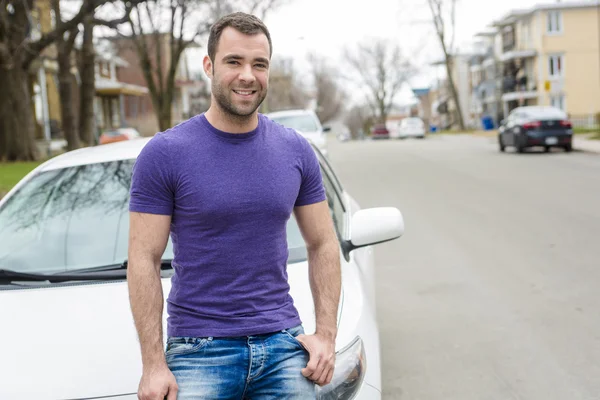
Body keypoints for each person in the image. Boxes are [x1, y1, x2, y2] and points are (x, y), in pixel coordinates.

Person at [127, 11, 341, 400]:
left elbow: (324, 243)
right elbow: (144, 257)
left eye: (259, 64)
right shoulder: (165, 154)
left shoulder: (294, 150)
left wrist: (326, 335)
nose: (248, 75)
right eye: (234, 62)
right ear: (209, 66)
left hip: (282, 345)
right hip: (199, 351)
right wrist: (153, 365)